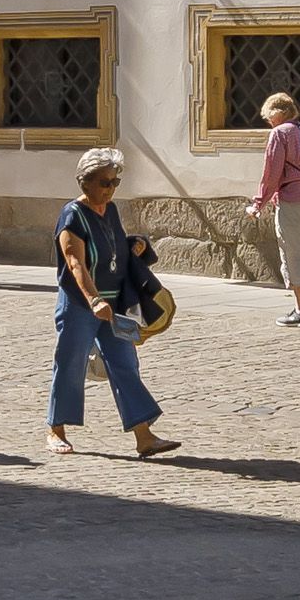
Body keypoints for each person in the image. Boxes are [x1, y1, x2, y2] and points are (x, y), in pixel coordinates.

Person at [49, 147, 178, 459]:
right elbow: (75, 263)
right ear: (85, 182)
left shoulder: (111, 210)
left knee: (125, 364)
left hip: (115, 305)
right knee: (70, 364)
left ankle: (144, 436)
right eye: (104, 182)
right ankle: (56, 430)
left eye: (115, 182)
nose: (110, 189)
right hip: (81, 305)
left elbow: (112, 246)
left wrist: (133, 245)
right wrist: (93, 300)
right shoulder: (72, 216)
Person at [250, 86, 300, 322]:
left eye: (269, 117)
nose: (269, 122)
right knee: (298, 250)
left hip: (292, 198)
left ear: (277, 113)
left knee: (291, 254)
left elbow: (272, 173)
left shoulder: (280, 134)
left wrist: (258, 204)